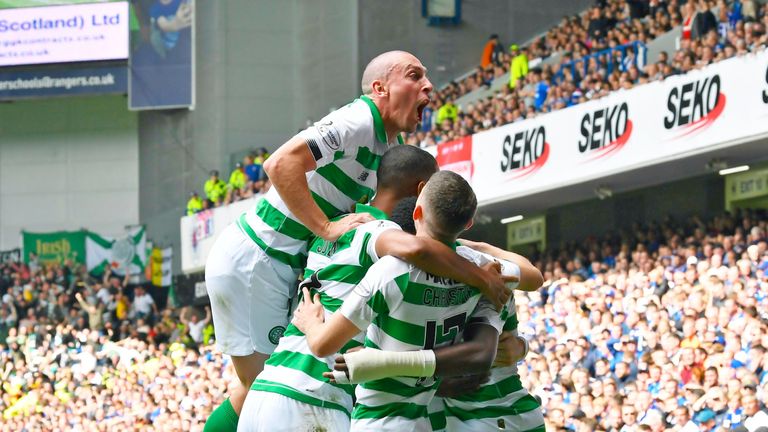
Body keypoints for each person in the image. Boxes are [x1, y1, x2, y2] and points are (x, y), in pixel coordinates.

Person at [203, 51, 511, 431]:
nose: (428, 85)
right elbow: (280, 164)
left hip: (281, 259)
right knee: (261, 386)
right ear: (380, 88)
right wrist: (325, 228)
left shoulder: (384, 147)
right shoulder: (359, 119)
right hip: (259, 258)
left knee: (262, 385)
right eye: (414, 76)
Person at [291, 171, 506, 431]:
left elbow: (323, 345)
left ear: (416, 212)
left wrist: (311, 323)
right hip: (425, 419)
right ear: (469, 223)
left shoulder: (392, 271)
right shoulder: (486, 274)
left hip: (378, 420)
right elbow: (530, 276)